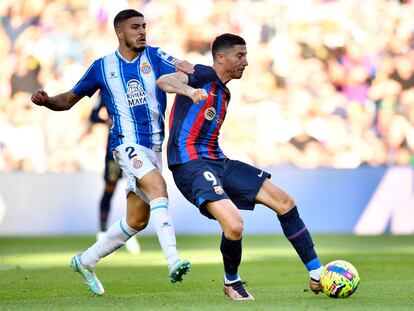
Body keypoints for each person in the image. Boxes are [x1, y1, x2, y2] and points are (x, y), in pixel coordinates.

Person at [31, 9, 191, 296]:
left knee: (136, 221)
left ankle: (85, 261)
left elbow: (179, 65)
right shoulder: (102, 67)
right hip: (125, 143)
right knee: (158, 187)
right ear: (119, 32)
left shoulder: (154, 56)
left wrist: (187, 68)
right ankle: (173, 261)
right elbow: (68, 100)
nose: (142, 31)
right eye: (135, 27)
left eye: (144, 26)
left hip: (154, 147)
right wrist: (47, 102)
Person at [156, 33, 324, 301]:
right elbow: (165, 80)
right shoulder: (201, 74)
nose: (246, 62)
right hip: (190, 164)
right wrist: (189, 91)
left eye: (245, 55)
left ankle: (318, 273)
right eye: (240, 55)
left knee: (285, 202)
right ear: (220, 58)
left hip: (218, 161)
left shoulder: (224, 93)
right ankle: (231, 281)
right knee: (234, 224)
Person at [90, 95, 141, 254]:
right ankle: (102, 232)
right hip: (113, 147)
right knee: (110, 188)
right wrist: (106, 121)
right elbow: (93, 115)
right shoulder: (106, 91)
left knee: (136, 189)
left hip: (135, 145)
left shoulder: (133, 89)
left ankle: (130, 232)